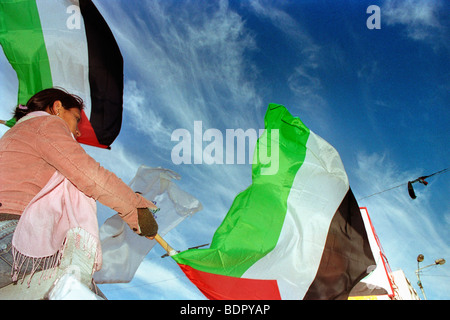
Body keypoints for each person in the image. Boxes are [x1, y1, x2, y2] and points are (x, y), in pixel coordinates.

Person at [0, 87, 158, 291]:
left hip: (8, 239)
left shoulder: (14, 135)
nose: (78, 131)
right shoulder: (46, 123)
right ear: (57, 108)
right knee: (80, 292)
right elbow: (88, 174)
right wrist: (136, 210)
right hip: (15, 237)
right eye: (75, 118)